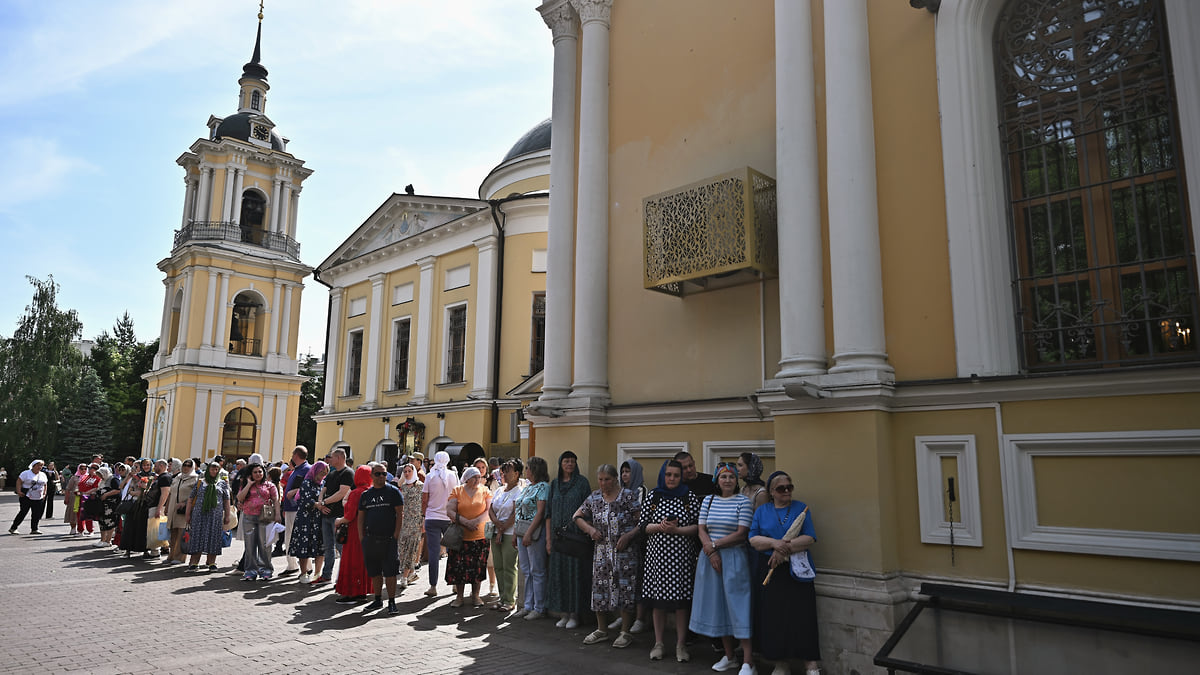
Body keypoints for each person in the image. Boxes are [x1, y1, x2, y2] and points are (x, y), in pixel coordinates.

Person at [749, 471, 821, 675]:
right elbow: (753, 539)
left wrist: (784, 549)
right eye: (781, 488)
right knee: (774, 617)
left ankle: (811, 663)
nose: (787, 491)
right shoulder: (762, 511)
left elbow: (809, 538)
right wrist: (775, 544)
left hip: (796, 568)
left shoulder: (801, 508)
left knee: (802, 616)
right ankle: (780, 663)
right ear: (772, 491)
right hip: (769, 569)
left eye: (789, 487)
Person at [692, 463, 756, 675]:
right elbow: (701, 528)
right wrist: (710, 552)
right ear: (717, 481)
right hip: (710, 560)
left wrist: (715, 546)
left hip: (734, 558)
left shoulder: (743, 502)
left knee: (738, 606)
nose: (727, 480)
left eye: (731, 476)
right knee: (717, 606)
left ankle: (748, 661)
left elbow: (741, 533)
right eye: (723, 477)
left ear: (737, 480)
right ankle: (729, 656)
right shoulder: (709, 500)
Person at [640, 459, 701, 663]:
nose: (672, 478)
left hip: (681, 560)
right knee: (658, 604)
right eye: (669, 475)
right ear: (663, 475)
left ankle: (680, 645)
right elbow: (643, 527)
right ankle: (658, 643)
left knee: (681, 604)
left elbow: (697, 527)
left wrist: (677, 530)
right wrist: (659, 527)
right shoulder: (654, 495)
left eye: (676, 475)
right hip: (657, 560)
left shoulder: (688, 496)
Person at [575, 464, 641, 649]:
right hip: (602, 552)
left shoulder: (628, 496)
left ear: (615, 479)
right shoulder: (595, 497)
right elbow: (577, 516)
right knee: (600, 589)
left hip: (624, 552)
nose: (604, 483)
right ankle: (601, 629)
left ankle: (625, 631)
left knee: (625, 589)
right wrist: (590, 530)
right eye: (601, 479)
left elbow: (641, 521)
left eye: (608, 479)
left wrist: (628, 536)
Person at [546, 450, 592, 629]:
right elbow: (548, 513)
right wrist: (548, 540)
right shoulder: (555, 484)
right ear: (560, 463)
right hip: (558, 539)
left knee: (575, 575)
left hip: (576, 538)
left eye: (573, 461)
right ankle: (563, 613)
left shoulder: (582, 483)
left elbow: (589, 509)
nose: (570, 464)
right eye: (566, 461)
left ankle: (575, 614)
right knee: (560, 576)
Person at [358, 463, 405, 615]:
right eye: (377, 474)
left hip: (388, 539)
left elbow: (400, 515)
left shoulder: (393, 492)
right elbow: (361, 517)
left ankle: (391, 602)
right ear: (371, 476)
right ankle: (377, 599)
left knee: (390, 572)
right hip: (371, 539)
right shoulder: (366, 495)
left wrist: (395, 536)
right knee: (374, 571)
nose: (381, 477)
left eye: (384, 474)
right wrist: (362, 537)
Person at [445, 466, 492, 608]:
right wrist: (466, 522)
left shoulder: (485, 491)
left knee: (477, 567)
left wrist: (475, 522)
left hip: (479, 536)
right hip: (461, 536)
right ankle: (459, 597)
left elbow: (489, 510)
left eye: (479, 477)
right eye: (474, 477)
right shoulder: (457, 491)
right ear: (467, 478)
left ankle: (476, 596)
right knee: (459, 567)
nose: (478, 479)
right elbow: (449, 510)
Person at [514, 455, 550, 620]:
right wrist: (516, 532)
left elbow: (540, 512)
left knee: (537, 570)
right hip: (522, 531)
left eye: (528, 468)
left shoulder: (543, 487)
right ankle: (527, 605)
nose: (526, 471)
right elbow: (519, 510)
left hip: (534, 533)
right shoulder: (528, 487)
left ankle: (539, 606)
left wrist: (528, 533)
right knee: (526, 570)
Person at [616, 459, 649, 633]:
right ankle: (623, 616)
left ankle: (640, 618)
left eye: (628, 472)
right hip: (622, 543)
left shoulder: (641, 491)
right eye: (622, 472)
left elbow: (639, 517)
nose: (624, 475)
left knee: (639, 580)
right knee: (623, 581)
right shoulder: (620, 491)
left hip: (637, 541)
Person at [313, 449, 354, 585]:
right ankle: (326, 575)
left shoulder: (347, 473)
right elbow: (323, 489)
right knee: (328, 546)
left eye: (331, 457)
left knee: (341, 547)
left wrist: (324, 502)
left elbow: (342, 493)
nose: (329, 460)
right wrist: (320, 504)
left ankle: (344, 577)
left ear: (339, 457)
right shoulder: (331, 473)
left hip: (339, 515)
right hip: (326, 514)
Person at [333, 465, 374, 603]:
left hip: (355, 532)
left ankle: (351, 593)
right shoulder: (372, 491)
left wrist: (338, 521)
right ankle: (362, 591)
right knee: (364, 562)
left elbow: (349, 516)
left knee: (352, 561)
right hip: (369, 532)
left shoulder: (356, 493)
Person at [184, 461, 234, 573]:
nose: (214, 471)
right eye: (212, 469)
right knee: (197, 536)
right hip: (199, 515)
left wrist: (227, 515)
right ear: (208, 470)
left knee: (214, 537)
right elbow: (191, 499)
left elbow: (226, 500)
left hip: (215, 516)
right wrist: (188, 514)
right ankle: (194, 563)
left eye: (216, 469)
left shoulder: (222, 483)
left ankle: (211, 562)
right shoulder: (200, 482)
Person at [421, 450, 458, 596]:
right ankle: (455, 583)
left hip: (432, 517)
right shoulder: (453, 475)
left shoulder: (430, 476)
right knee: (453, 552)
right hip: (449, 517)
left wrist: (424, 515)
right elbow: (457, 497)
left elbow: (424, 499)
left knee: (434, 553)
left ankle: (433, 586)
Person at [487, 458, 523, 612]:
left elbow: (516, 512)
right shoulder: (500, 490)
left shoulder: (519, 491)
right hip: (496, 531)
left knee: (509, 566)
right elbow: (491, 509)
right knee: (499, 566)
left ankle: (510, 599)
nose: (505, 474)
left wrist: (503, 528)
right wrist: (496, 524)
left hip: (509, 532)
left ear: (517, 473)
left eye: (509, 471)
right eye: (504, 471)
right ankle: (502, 598)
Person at [236, 463, 279, 581]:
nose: (258, 474)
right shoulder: (246, 484)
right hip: (249, 517)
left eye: (260, 472)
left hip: (265, 518)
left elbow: (276, 500)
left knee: (265, 545)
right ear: (251, 474)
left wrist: (278, 515)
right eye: (255, 472)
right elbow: (240, 498)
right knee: (250, 546)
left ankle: (266, 570)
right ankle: (250, 571)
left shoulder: (269, 485)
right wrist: (249, 484)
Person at [288, 461, 327, 583]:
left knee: (320, 546)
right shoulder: (306, 483)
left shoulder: (323, 484)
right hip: (305, 519)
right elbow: (305, 499)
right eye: (321, 473)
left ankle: (317, 572)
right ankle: (303, 573)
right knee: (303, 545)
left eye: (325, 474)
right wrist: (317, 505)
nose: (323, 476)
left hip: (318, 519)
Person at [280, 446, 310, 577]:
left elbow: (308, 487)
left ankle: (301, 566)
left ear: (296, 455)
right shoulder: (298, 469)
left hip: (297, 508)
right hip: (291, 508)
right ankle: (293, 564)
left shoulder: (306, 469)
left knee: (295, 537)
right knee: (290, 537)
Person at [165, 459, 199, 564]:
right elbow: (171, 492)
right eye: (185, 465)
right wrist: (166, 507)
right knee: (173, 533)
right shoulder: (177, 478)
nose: (186, 467)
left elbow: (196, 495)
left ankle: (179, 557)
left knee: (182, 533)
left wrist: (184, 503)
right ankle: (171, 555)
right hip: (173, 509)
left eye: (189, 465)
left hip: (184, 510)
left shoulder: (195, 479)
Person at [396, 462, 424, 588]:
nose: (407, 474)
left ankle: (404, 577)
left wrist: (423, 520)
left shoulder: (421, 486)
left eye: (409, 471)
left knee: (411, 549)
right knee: (401, 549)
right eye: (405, 471)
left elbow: (424, 504)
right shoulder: (403, 487)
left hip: (415, 522)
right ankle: (411, 572)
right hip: (403, 522)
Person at [476, 457, 499, 602]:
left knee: (491, 557)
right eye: (477, 467)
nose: (480, 470)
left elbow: (496, 502)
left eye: (482, 467)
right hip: (473, 525)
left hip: (489, 523)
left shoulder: (493, 482)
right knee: (475, 558)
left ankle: (492, 584)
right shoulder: (468, 483)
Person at [10, 459, 49, 535]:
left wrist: (44, 493)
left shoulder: (43, 474)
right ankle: (13, 527)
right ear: (33, 465)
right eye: (38, 465)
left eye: (41, 465)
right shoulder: (26, 473)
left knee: (36, 513)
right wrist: (18, 491)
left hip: (38, 497)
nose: (40, 467)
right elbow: (19, 481)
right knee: (23, 512)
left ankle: (34, 529)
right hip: (26, 496)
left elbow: (45, 484)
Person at [95, 466, 123, 548]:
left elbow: (118, 490)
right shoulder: (102, 481)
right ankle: (102, 539)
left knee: (110, 522)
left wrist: (106, 494)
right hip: (102, 505)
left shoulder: (113, 479)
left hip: (111, 505)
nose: (100, 476)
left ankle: (108, 540)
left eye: (100, 474)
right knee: (102, 522)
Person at [76, 463, 104, 536]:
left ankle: (90, 530)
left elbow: (96, 487)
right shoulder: (87, 476)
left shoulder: (97, 478)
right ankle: (80, 530)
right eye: (90, 468)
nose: (90, 470)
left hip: (89, 497)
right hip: (81, 496)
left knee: (89, 514)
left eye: (92, 468)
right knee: (80, 513)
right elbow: (80, 484)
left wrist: (87, 492)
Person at [62, 464, 84, 535]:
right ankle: (73, 528)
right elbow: (68, 488)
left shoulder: (88, 477)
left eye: (85, 469)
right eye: (81, 469)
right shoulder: (74, 477)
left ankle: (82, 529)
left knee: (83, 514)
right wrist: (66, 498)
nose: (83, 470)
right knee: (73, 513)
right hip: (74, 497)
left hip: (84, 497)